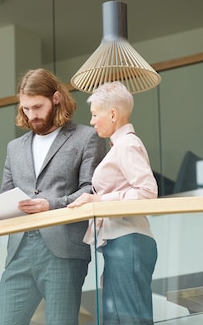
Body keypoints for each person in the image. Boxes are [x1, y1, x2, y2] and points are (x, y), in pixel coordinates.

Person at [0, 68, 106, 325]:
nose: (31, 115)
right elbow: (8, 196)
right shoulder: (15, 148)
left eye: (37, 107)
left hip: (63, 249)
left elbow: (91, 190)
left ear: (56, 98)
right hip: (19, 251)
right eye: (25, 108)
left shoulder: (86, 137)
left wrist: (51, 205)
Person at [68, 81, 158, 325]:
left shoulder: (128, 145)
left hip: (127, 241)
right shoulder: (121, 146)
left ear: (113, 114)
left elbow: (148, 192)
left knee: (127, 319)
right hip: (123, 241)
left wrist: (100, 200)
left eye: (95, 114)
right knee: (119, 318)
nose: (93, 121)